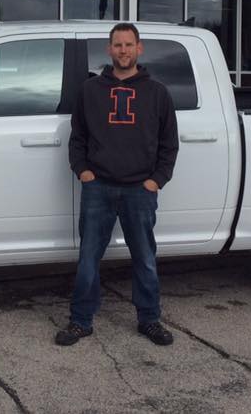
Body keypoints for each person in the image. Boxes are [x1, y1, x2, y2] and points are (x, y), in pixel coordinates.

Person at [56, 22, 179, 346]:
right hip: (98, 187)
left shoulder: (157, 93)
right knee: (88, 258)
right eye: (118, 45)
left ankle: (149, 320)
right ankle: (80, 321)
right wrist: (83, 171)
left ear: (139, 48)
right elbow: (78, 137)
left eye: (129, 44)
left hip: (140, 190)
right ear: (109, 49)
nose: (123, 50)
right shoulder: (91, 90)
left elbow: (169, 144)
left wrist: (156, 180)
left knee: (145, 258)